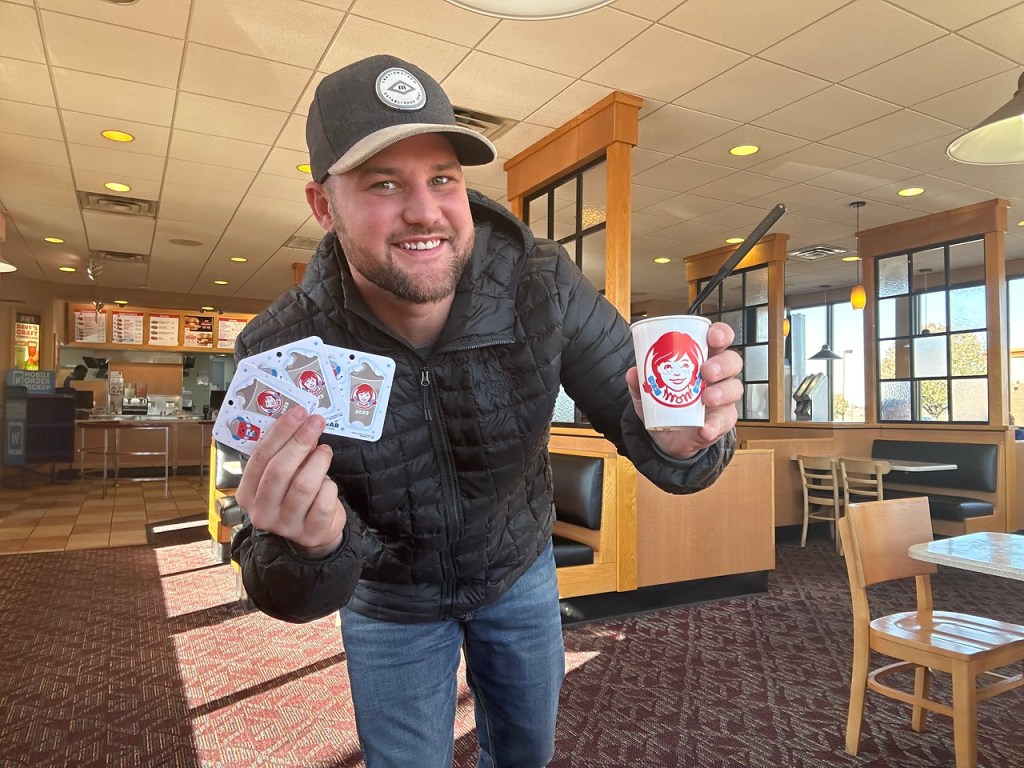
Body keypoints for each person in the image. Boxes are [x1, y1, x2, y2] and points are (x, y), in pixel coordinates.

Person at [231, 54, 743, 767]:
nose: (425, 210)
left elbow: (647, 421)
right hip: (390, 599)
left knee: (526, 756)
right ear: (323, 206)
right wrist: (307, 547)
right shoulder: (281, 352)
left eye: (442, 178)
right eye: (384, 184)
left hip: (517, 569)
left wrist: (687, 443)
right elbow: (272, 575)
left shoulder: (541, 284)